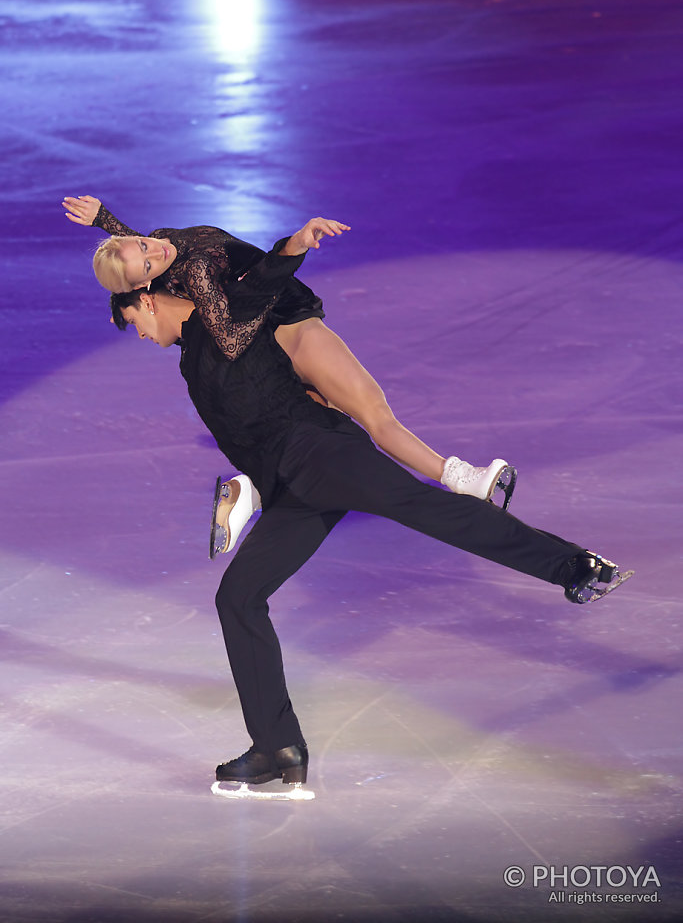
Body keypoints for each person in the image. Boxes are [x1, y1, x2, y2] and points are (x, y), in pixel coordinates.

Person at [108, 220, 632, 790]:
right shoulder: (190, 363)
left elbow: (254, 276)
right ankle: (276, 746)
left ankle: (573, 565)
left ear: (149, 300)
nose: (138, 337)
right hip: (291, 487)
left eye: (132, 322)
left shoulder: (229, 314)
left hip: (322, 452)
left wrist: (295, 245)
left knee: (430, 510)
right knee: (237, 599)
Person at [64, 194, 517, 513]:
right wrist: (293, 248)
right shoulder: (196, 272)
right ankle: (463, 480)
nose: (153, 249)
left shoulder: (158, 248)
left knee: (313, 425)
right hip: (287, 327)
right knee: (374, 415)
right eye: (146, 261)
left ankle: (251, 491)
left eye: (143, 244)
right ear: (146, 284)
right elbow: (230, 334)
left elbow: (136, 254)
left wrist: (106, 220)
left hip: (265, 343)